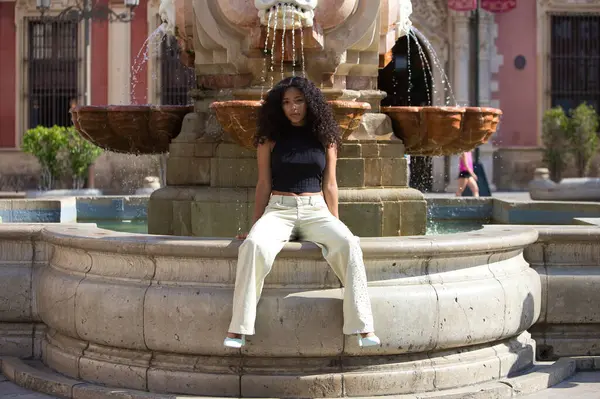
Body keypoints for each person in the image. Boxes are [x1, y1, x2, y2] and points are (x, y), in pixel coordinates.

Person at [224, 77, 380, 349]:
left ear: (310, 102)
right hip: (279, 210)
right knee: (252, 246)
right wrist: (255, 225)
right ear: (279, 107)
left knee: (349, 243)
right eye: (286, 102)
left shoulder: (326, 137)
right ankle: (239, 329)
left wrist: (336, 222)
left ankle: (363, 327)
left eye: (298, 101)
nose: (293, 108)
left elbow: (330, 183)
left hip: (316, 210)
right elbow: (263, 184)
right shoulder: (268, 139)